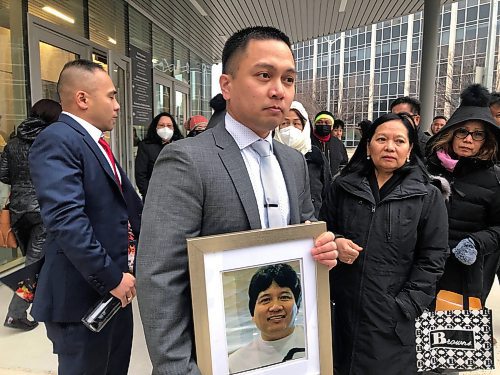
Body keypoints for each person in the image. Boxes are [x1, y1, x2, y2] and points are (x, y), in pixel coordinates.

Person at [136, 26, 338, 375]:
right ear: (226, 85)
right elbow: (159, 274)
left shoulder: (292, 162)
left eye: (288, 80)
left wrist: (321, 251)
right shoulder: (187, 160)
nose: (278, 90)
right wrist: (177, 368)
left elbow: (304, 232)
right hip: (213, 357)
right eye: (264, 75)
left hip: (287, 359)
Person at [28, 59, 143, 375]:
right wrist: (112, 278)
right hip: (84, 296)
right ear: (82, 98)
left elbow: (127, 208)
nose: (118, 106)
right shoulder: (58, 139)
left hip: (113, 292)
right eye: (111, 96)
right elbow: (66, 220)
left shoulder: (93, 143)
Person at [320, 112, 449, 375]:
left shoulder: (427, 196)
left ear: (410, 149)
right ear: (368, 145)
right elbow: (322, 230)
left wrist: (407, 304)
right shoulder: (343, 186)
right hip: (342, 309)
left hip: (393, 318)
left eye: (399, 141)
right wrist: (336, 240)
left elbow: (433, 257)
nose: (390, 147)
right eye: (381, 139)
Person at [426, 84, 500, 313]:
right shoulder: (426, 168)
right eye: (463, 131)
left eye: (478, 134)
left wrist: (477, 242)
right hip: (421, 268)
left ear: (486, 140)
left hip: (463, 273)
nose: (468, 139)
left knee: (455, 340)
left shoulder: (495, 179)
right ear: (451, 131)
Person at [1, 99, 61, 331]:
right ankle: (15, 314)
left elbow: (4, 174)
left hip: (18, 211)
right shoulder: (52, 140)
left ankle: (44, 300)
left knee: (34, 262)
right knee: (35, 265)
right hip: (42, 209)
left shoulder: (13, 142)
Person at [228, 263, 304, 374]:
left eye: (284, 297)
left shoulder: (319, 342)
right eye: (265, 299)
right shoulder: (234, 364)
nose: (275, 307)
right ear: (252, 313)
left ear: (297, 306)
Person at [274, 101, 331, 217]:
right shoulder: (269, 155)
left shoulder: (315, 156)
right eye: (285, 123)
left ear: (304, 127)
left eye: (296, 124)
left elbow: (326, 191)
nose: (290, 129)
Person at [135, 112, 183, 199]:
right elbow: (141, 175)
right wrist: (148, 195)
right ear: (155, 127)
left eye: (169, 125)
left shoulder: (181, 145)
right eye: (161, 125)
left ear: (174, 128)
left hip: (178, 197)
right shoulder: (146, 146)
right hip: (154, 197)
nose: (165, 128)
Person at [311, 110, 348, 176]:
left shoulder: (338, 144)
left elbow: (344, 164)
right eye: (319, 122)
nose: (323, 125)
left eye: (327, 122)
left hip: (333, 184)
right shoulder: (308, 141)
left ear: (332, 126)